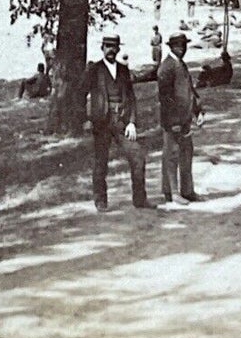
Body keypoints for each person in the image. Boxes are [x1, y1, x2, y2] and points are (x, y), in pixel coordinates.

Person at [85, 34, 151, 210]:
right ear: (102, 48)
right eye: (107, 46)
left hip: (122, 122)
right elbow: (80, 94)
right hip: (102, 122)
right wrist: (86, 118)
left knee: (137, 156)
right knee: (101, 161)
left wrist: (132, 122)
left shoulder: (123, 70)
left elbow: (131, 97)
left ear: (118, 49)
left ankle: (140, 199)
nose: (111, 50)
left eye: (114, 46)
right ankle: (101, 201)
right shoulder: (94, 70)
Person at [157, 32, 202, 203]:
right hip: (173, 121)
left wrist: (198, 111)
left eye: (183, 46)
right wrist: (172, 121)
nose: (181, 49)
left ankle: (187, 190)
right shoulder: (167, 67)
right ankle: (172, 192)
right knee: (171, 154)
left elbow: (190, 90)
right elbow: (165, 97)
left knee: (186, 153)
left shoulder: (180, 64)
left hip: (185, 118)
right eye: (177, 46)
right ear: (171, 47)